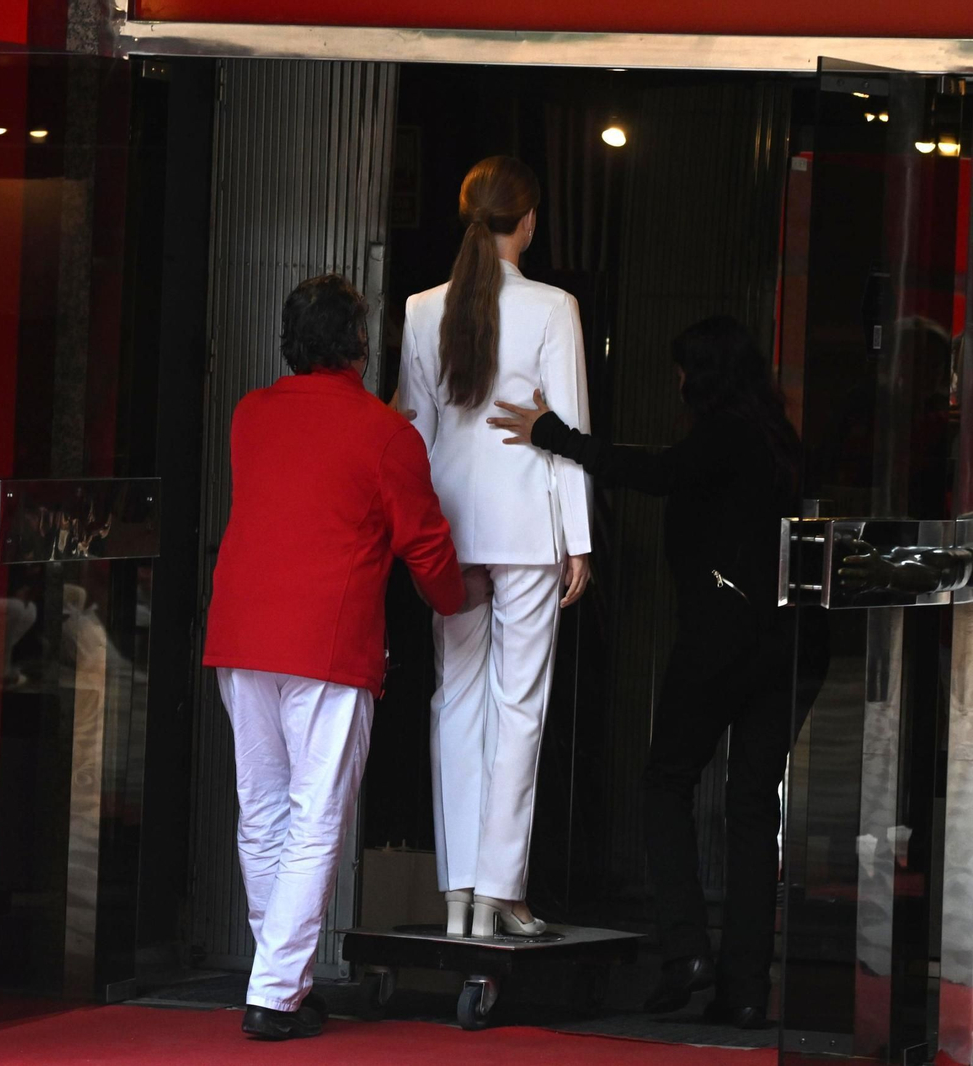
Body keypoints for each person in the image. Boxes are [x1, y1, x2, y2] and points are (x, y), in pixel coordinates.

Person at [489, 315, 820, 1028]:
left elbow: (658, 474)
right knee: (753, 808)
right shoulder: (776, 440)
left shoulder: (723, 436)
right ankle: (745, 988)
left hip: (724, 638)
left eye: (679, 372)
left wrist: (555, 435)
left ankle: (685, 952)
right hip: (790, 644)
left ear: (697, 378)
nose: (674, 384)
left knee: (665, 783)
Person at [203, 273, 475, 1040]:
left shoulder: (250, 414)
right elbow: (426, 548)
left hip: (242, 631)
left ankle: (276, 978)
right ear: (361, 343)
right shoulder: (386, 433)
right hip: (328, 640)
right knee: (314, 817)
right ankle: (274, 991)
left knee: (261, 811)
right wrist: (462, 598)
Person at [397, 156, 592, 939]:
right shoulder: (553, 306)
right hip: (525, 525)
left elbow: (415, 430)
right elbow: (568, 433)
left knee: (455, 700)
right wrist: (579, 539)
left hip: (449, 523)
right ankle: (500, 892)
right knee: (519, 706)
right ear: (530, 222)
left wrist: (416, 537)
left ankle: (456, 896)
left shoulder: (420, 308)